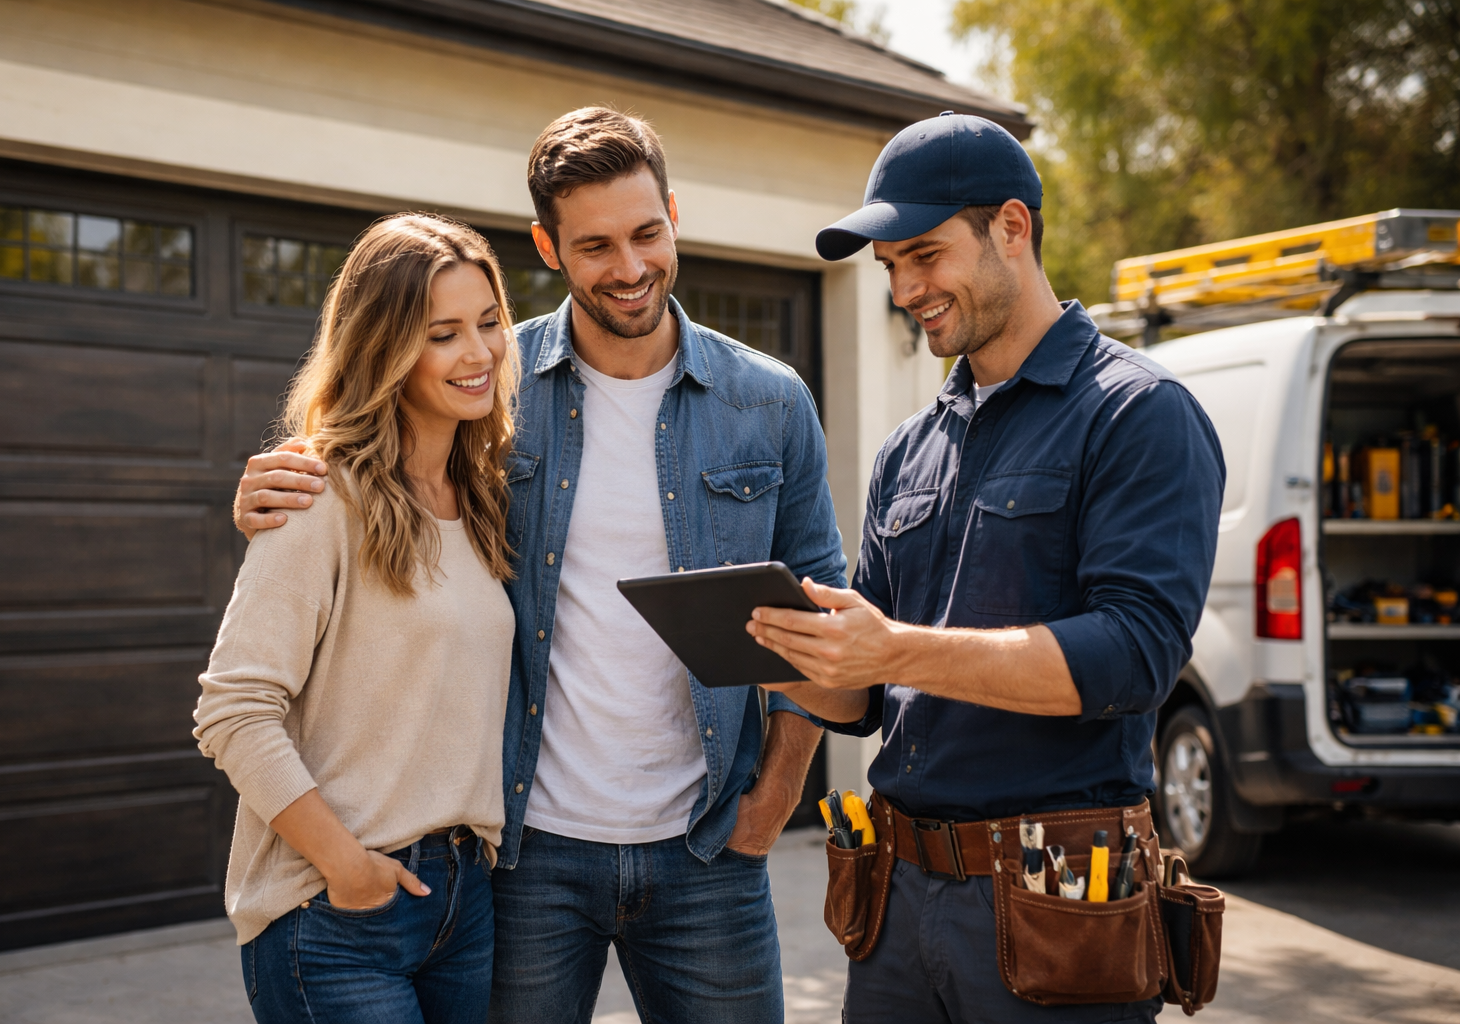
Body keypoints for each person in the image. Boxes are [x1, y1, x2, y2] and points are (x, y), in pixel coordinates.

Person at [231, 108, 846, 1023]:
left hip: (708, 847)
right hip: (525, 856)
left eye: (647, 233)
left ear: (675, 213)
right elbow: (369, 466)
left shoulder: (769, 401)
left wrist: (780, 791)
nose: (630, 267)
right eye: (595, 244)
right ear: (548, 247)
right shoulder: (493, 388)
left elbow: (820, 610)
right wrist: (270, 488)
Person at [746, 113, 1226, 1022]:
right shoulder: (908, 448)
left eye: (925, 255)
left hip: (1056, 909)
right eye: (890, 268)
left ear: (1012, 226)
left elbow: (1133, 657)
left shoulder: (1137, 416)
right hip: (894, 905)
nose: (905, 290)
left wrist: (893, 651)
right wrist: (807, 649)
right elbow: (871, 700)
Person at [194, 214, 519, 1024]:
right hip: (337, 914)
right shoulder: (318, 494)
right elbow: (232, 711)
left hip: (464, 901)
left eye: (488, 324)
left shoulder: (481, 501)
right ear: (386, 348)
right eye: (442, 334)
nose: (478, 354)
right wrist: (347, 866)